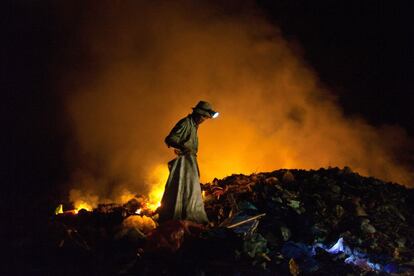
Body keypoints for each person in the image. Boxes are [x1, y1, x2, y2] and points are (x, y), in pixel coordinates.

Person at [158, 101, 219, 224]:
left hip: (190, 160)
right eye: (203, 117)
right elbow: (170, 139)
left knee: (190, 190)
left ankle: (188, 217)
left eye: (206, 118)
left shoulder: (193, 126)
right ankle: (181, 217)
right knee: (184, 189)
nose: (204, 120)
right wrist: (182, 147)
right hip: (184, 161)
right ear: (197, 114)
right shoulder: (185, 123)